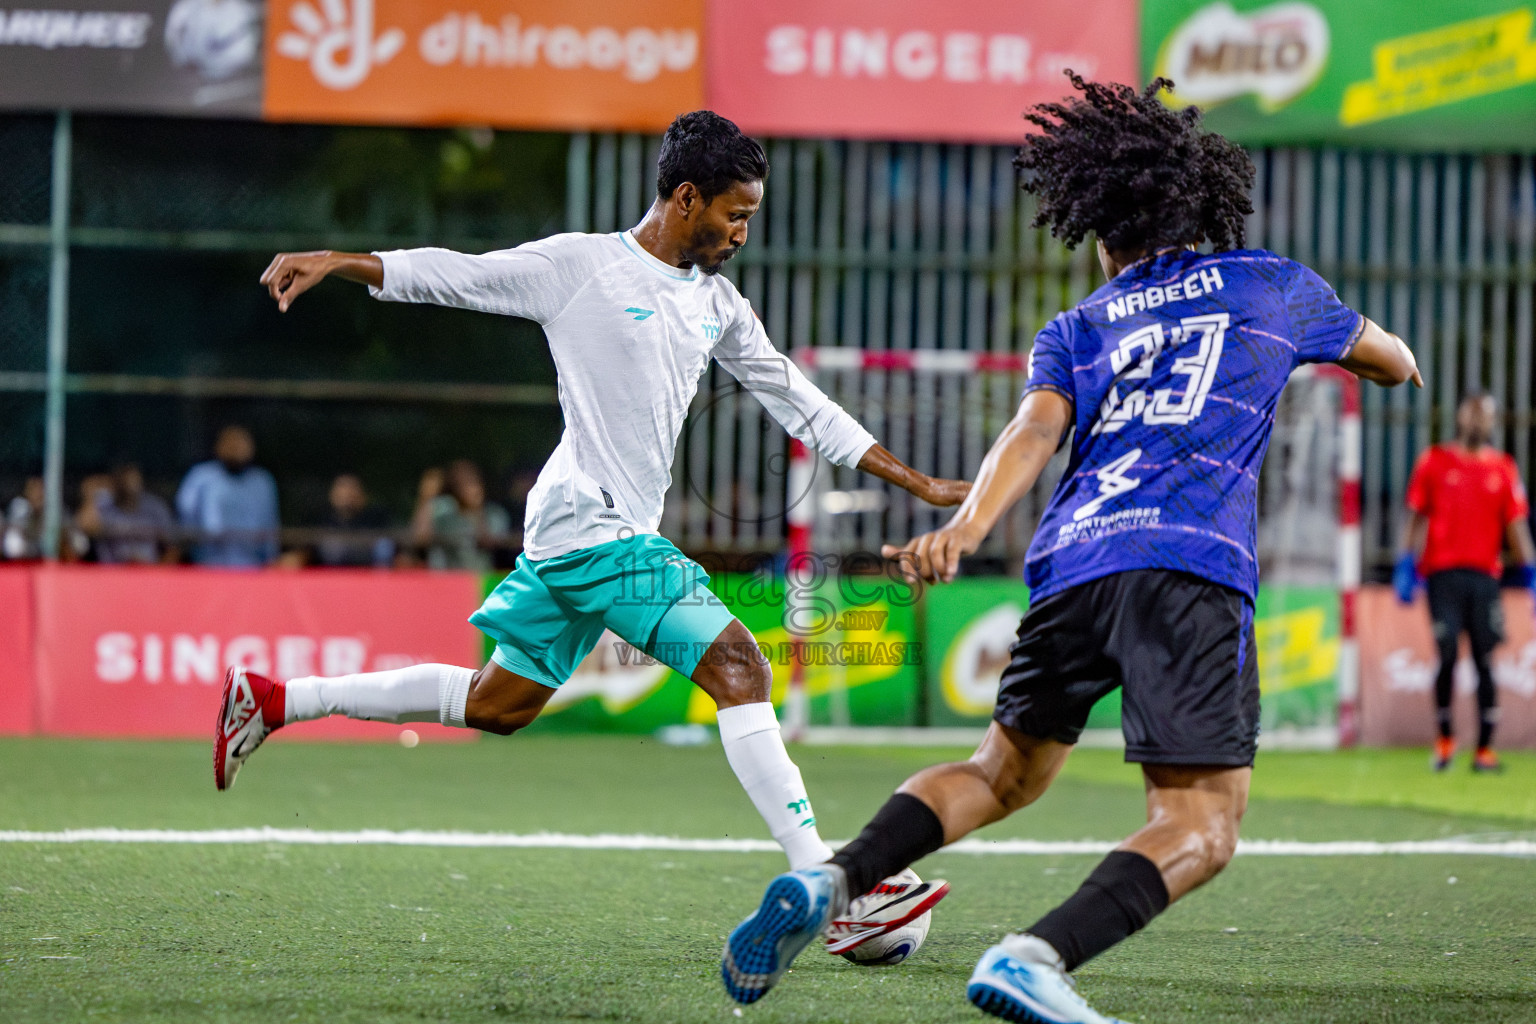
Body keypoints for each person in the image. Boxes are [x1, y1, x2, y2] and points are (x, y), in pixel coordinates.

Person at [720, 73, 1422, 1022]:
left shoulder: (1081, 326)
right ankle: (1036, 957)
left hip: (1072, 565)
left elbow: (1034, 435)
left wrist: (965, 527)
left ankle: (833, 883)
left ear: (1100, 227)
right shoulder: (1274, 285)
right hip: (1189, 562)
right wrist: (1349, 349)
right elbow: (1394, 362)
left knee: (997, 774)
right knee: (1202, 824)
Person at [225, 110, 966, 944]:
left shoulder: (718, 304)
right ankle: (829, 887)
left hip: (571, 530)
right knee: (740, 665)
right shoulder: (581, 267)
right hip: (593, 525)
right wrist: (339, 262)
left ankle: (279, 699)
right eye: (735, 213)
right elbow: (456, 274)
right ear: (687, 197)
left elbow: (800, 400)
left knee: (497, 704)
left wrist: (918, 481)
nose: (741, 232)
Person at [1395, 391, 1534, 773]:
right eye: (1471, 413)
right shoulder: (1435, 462)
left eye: (1484, 415)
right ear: (1459, 417)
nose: (1477, 421)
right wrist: (1406, 562)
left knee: (1485, 659)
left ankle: (1485, 750)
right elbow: (1415, 516)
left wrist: (1531, 572)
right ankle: (1444, 741)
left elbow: (1516, 525)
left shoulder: (1503, 469)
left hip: (1485, 578)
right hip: (1442, 576)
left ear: (1492, 422)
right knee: (1448, 655)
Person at [175, 425, 280, 567]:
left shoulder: (262, 481)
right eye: (230, 443)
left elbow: (270, 525)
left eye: (241, 443)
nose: (236, 448)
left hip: (251, 567)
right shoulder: (201, 477)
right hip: (207, 565)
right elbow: (186, 519)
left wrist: (271, 561)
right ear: (219, 446)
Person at [411, 460, 511, 571]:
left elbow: (488, 544)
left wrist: (477, 510)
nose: (465, 487)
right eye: (458, 483)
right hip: (445, 578)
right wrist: (427, 497)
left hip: (480, 579)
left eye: (470, 481)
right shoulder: (442, 510)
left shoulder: (495, 513)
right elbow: (421, 538)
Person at [77, 463, 179, 564]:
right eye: (123, 481)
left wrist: (158, 574)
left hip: (148, 572)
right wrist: (91, 494)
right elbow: (85, 526)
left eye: (133, 480)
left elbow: (172, 548)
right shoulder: (105, 506)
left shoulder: (154, 508)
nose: (128, 485)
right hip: (111, 573)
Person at [307, 472, 394, 568]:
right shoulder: (322, 520)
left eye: (352, 490)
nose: (347, 495)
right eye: (342, 489)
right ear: (332, 495)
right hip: (332, 573)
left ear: (363, 495)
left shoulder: (376, 519)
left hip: (369, 569)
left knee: (384, 545)